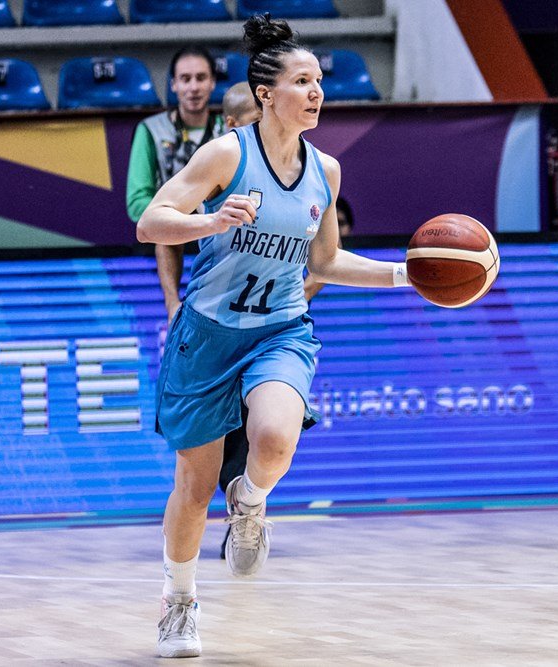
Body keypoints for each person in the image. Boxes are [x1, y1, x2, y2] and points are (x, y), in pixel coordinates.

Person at [137, 15, 411, 658]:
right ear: (265, 93)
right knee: (193, 488)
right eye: (302, 81)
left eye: (319, 82)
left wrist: (407, 275)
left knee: (275, 437)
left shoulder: (327, 171)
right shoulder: (227, 153)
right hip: (206, 336)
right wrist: (209, 220)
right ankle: (179, 602)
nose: (316, 93)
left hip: (279, 331)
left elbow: (323, 264)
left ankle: (252, 504)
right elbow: (152, 222)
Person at [217, 194, 354, 558]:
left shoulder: (325, 262)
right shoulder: (274, 247)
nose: (335, 227)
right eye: (332, 220)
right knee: (225, 449)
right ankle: (241, 513)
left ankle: (249, 511)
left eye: (341, 225)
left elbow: (309, 289)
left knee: (271, 440)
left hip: (282, 351)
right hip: (232, 340)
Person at [127, 45, 227, 323]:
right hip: (173, 229)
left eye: (201, 78)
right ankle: (173, 308)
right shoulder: (151, 130)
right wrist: (186, 217)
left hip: (221, 229)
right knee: (166, 233)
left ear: (212, 82)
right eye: (185, 79)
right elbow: (137, 203)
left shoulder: (230, 129)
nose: (193, 87)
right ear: (173, 84)